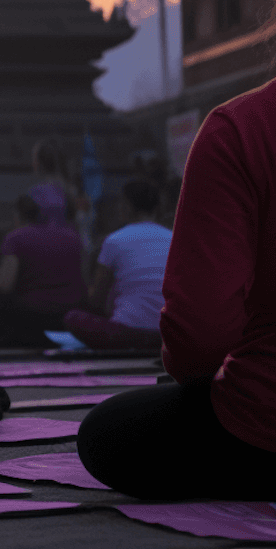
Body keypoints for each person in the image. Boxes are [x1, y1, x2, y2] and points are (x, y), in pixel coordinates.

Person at [78, 80, 276, 498]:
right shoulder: (159, 232)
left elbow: (200, 336)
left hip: (265, 418)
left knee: (107, 433)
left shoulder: (242, 129)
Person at [0, 194, 84, 347]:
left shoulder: (16, 238)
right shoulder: (72, 237)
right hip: (69, 311)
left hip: (32, 312)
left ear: (18, 214)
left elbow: (5, 285)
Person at [62, 180, 171, 350]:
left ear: (126, 206)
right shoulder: (174, 239)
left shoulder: (115, 240)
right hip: (169, 337)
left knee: (73, 318)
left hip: (127, 334)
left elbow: (96, 298)